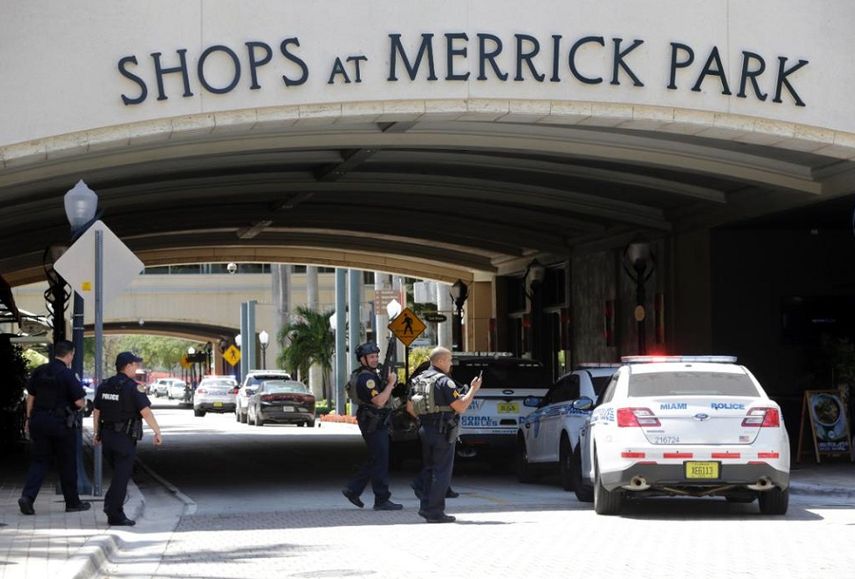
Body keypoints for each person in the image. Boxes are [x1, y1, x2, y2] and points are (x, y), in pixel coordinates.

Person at [409, 346, 482, 523]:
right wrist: (473, 389)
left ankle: (426, 507)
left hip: (425, 429)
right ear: (440, 361)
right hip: (442, 431)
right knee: (442, 472)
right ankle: (435, 512)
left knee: (428, 469)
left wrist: (428, 418)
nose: (451, 363)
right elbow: (461, 406)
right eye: (449, 360)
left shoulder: (419, 379)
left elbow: (410, 408)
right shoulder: (444, 381)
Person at [19, 340, 91, 515]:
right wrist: (85, 405)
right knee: (67, 463)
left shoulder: (39, 371)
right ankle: (72, 503)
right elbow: (78, 402)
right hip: (61, 424)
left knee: (39, 461)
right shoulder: (68, 374)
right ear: (70, 355)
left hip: (38, 420)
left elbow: (31, 397)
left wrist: (29, 418)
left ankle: (27, 498)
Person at [92, 352, 163, 526]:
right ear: (128, 366)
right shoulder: (132, 387)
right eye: (135, 364)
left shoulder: (105, 386)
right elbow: (145, 412)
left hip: (107, 437)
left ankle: (112, 506)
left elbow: (97, 411)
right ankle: (114, 512)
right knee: (122, 477)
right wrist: (157, 432)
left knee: (118, 475)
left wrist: (96, 434)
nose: (137, 368)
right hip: (123, 439)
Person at [342, 341, 403, 511]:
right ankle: (381, 499)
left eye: (376, 356)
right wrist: (390, 383)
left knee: (377, 457)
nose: (375, 359)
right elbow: (379, 401)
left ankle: (353, 489)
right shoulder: (366, 379)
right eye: (371, 357)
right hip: (373, 419)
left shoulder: (370, 375)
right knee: (380, 459)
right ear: (363, 360)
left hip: (374, 419)